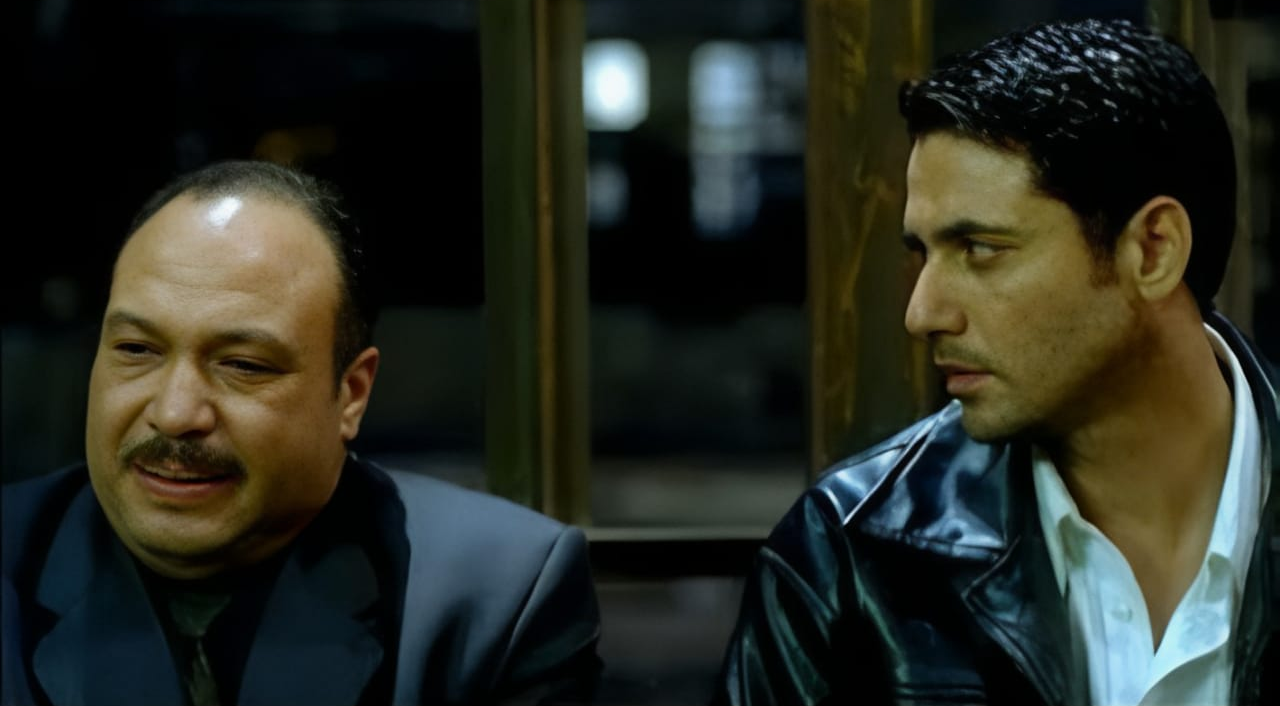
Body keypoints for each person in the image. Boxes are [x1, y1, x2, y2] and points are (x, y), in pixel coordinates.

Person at [716, 17, 1278, 706]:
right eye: (923, 253)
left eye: (980, 249)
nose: (922, 314)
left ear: (1153, 250)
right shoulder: (846, 559)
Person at [1, 160, 601, 706]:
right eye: (136, 350)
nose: (176, 413)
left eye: (243, 364)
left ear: (351, 394)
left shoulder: (493, 597)